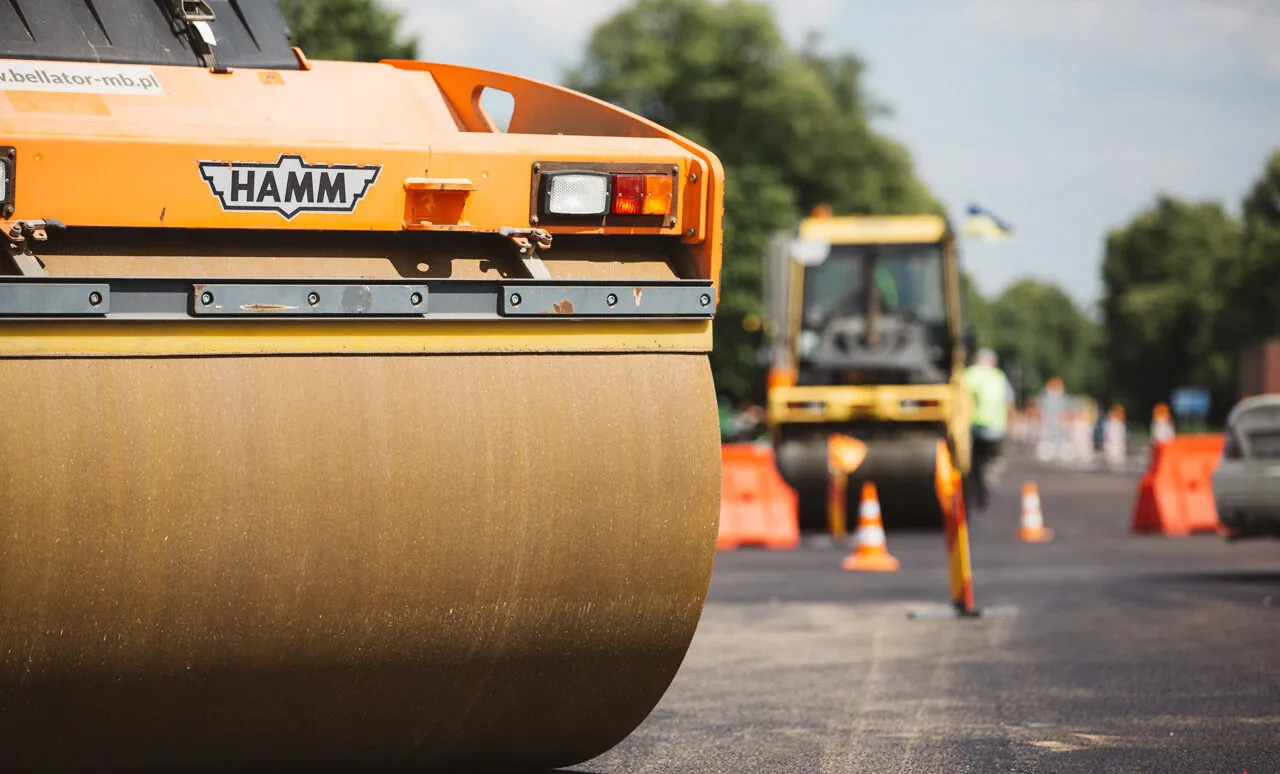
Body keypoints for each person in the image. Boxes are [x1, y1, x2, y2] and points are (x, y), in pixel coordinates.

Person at [963, 348, 1015, 510]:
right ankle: (987, 485)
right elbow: (1009, 402)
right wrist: (1010, 423)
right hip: (995, 429)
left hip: (973, 427)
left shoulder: (969, 374)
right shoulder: (998, 376)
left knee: (974, 463)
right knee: (993, 462)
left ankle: (976, 490)